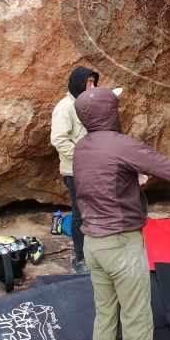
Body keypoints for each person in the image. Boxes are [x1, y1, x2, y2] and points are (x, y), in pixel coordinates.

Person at [73, 87, 170, 340]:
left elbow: (104, 185)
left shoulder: (83, 147)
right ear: (110, 113)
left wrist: (133, 179)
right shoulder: (120, 144)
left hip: (93, 244)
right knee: (136, 316)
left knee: (105, 313)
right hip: (121, 244)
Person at [50, 65, 106, 274]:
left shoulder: (87, 104)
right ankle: (81, 259)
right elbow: (58, 139)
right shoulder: (65, 107)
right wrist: (85, 155)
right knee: (80, 215)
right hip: (75, 171)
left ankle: (96, 253)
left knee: (97, 211)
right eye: (87, 82)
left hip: (93, 168)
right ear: (77, 84)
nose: (91, 87)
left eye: (93, 82)